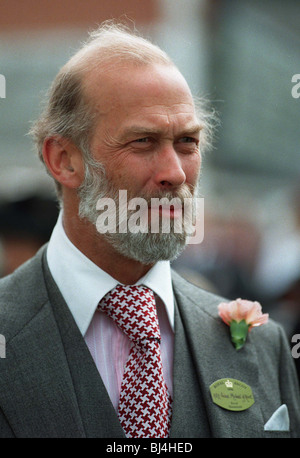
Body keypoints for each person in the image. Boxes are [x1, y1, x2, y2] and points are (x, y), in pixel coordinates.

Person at [0, 21, 299, 439]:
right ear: (64, 159)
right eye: (142, 141)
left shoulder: (262, 346)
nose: (175, 173)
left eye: (187, 142)